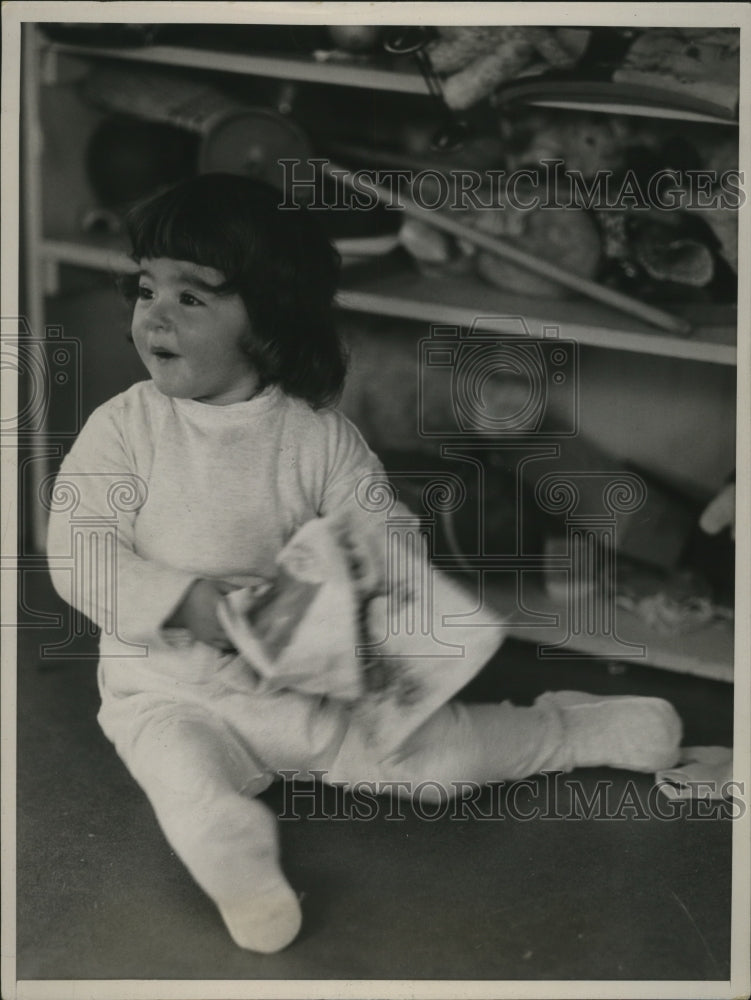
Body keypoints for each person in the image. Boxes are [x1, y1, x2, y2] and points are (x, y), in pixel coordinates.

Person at [47, 173, 683, 954]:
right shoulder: (125, 429)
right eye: (146, 289)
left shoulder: (316, 436)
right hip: (168, 691)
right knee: (180, 774)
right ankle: (234, 861)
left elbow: (388, 536)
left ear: (267, 318)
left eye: (192, 297)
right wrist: (189, 604)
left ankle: (566, 731)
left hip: (306, 694)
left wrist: (344, 599)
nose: (154, 315)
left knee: (438, 762)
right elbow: (78, 553)